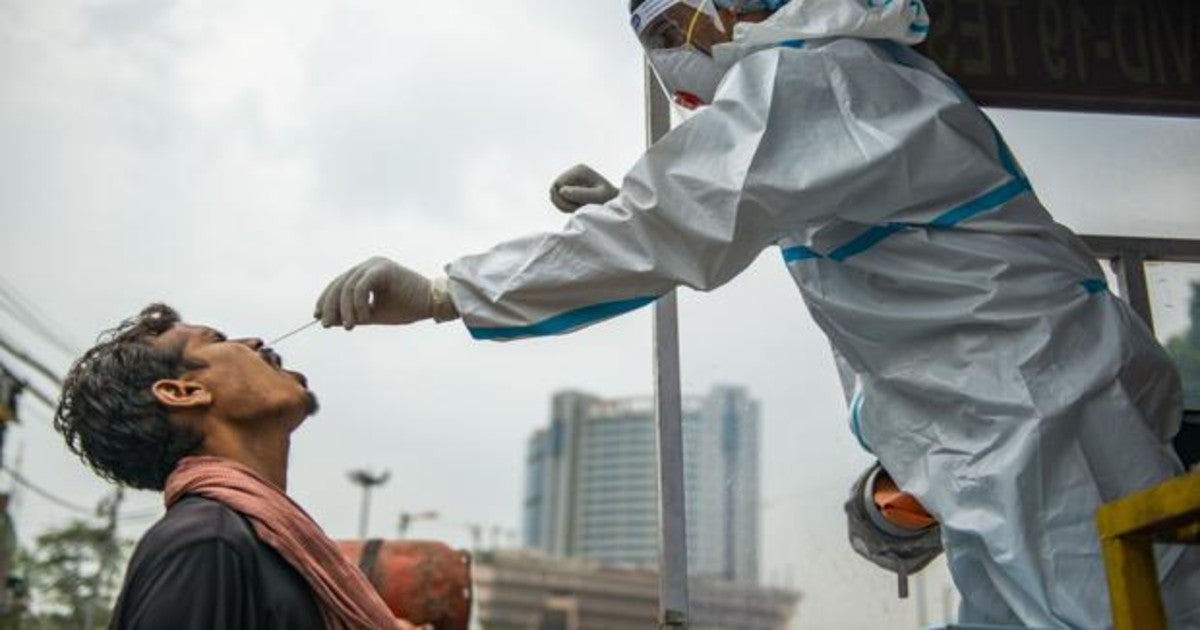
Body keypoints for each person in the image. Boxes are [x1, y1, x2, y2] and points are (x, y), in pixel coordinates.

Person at [313, 0, 1200, 627]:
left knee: (1116, 609)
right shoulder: (837, 80)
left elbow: (678, 226)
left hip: (1040, 412)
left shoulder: (820, 74)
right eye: (656, 39)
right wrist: (632, 196)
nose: (672, 55)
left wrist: (446, 293)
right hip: (995, 422)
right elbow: (726, 206)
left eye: (678, 25)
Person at [54, 304, 426, 629]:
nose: (255, 342)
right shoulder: (205, 543)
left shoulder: (273, 549)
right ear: (184, 393)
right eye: (217, 340)